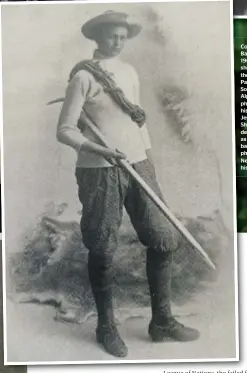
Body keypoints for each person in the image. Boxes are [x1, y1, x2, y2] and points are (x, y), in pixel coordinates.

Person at [57, 10, 199, 358]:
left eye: (122, 36)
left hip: (138, 164)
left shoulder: (130, 72)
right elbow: (64, 130)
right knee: (103, 248)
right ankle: (106, 326)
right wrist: (99, 149)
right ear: (97, 37)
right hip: (99, 170)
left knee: (165, 238)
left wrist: (147, 161)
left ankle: (162, 321)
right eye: (111, 36)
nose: (117, 41)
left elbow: (137, 122)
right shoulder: (83, 78)